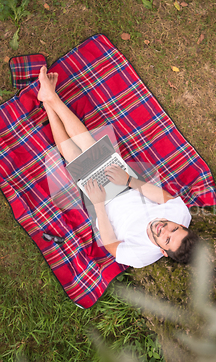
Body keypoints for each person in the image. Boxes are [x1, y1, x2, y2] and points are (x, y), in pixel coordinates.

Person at [37, 66, 199, 268]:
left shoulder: (140, 257)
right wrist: (129, 180)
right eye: (174, 229)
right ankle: (49, 99)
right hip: (125, 185)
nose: (164, 229)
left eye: (166, 239)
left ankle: (49, 101)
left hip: (103, 206)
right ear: (181, 225)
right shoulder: (181, 214)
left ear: (163, 252)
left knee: (74, 157)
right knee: (90, 146)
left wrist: (98, 204)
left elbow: (111, 244)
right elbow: (161, 197)